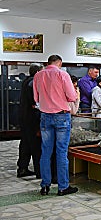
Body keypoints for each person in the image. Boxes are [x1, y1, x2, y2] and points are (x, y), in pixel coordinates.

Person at [33, 54, 78, 196]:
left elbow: (36, 98)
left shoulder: (38, 76)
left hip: (45, 116)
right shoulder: (63, 75)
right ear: (59, 63)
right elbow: (72, 97)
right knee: (61, 152)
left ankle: (45, 185)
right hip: (61, 116)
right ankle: (63, 186)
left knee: (45, 152)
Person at [17, 63, 43, 179]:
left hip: (24, 116)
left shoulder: (26, 81)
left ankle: (22, 168)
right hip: (32, 118)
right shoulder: (34, 82)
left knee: (25, 143)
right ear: (38, 72)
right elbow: (35, 102)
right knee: (35, 145)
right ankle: (39, 171)